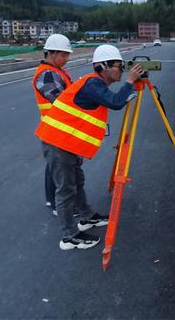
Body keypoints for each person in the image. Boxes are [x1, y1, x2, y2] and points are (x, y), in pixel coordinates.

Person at [36, 44, 144, 250]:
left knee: (77, 180)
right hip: (58, 141)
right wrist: (130, 82)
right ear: (103, 67)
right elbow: (115, 102)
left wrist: (128, 86)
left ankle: (86, 216)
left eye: (122, 66)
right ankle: (69, 236)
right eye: (118, 66)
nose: (121, 70)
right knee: (66, 189)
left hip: (67, 142)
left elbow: (114, 99)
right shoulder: (92, 83)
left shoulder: (95, 84)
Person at [31, 34, 74, 215]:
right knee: (57, 168)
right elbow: (61, 100)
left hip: (58, 127)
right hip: (55, 128)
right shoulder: (47, 75)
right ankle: (57, 205)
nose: (66, 59)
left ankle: (53, 201)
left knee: (53, 167)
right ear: (51, 53)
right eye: (63, 55)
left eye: (67, 55)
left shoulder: (55, 72)